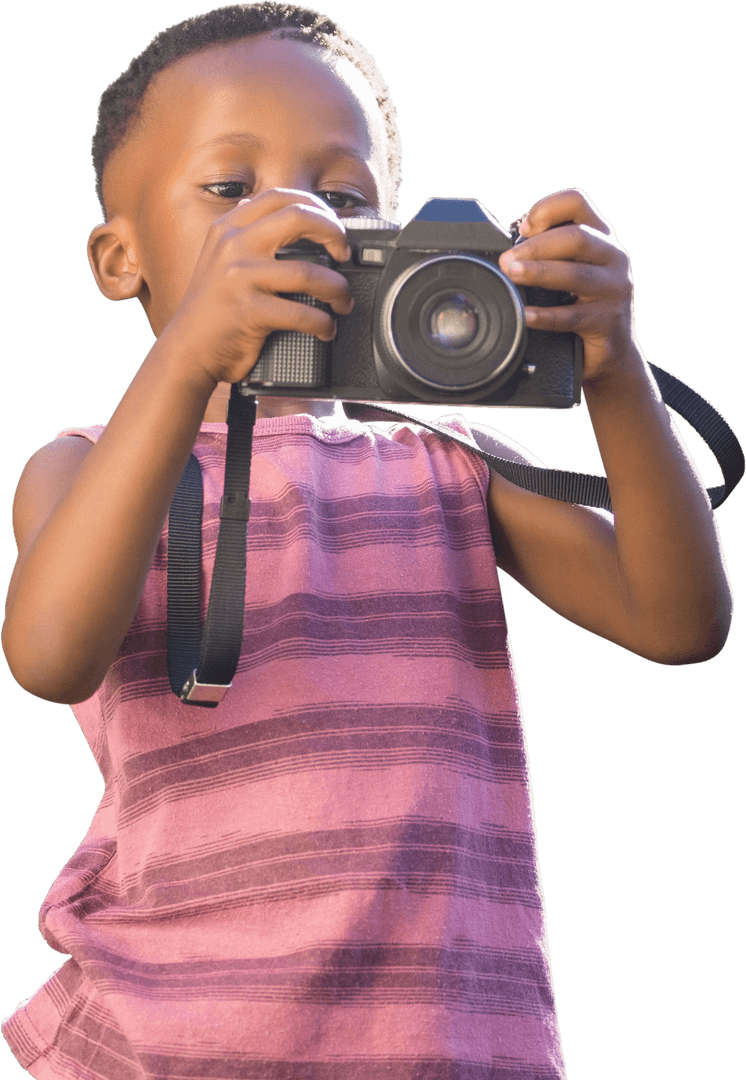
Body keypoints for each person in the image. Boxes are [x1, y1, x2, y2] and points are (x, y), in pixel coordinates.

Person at [1, 3, 732, 1078]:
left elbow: (678, 623)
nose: (294, 227)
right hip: (172, 1041)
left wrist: (615, 370)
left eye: (343, 199)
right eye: (230, 189)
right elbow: (50, 653)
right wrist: (191, 357)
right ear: (119, 258)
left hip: (438, 1043)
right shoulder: (89, 466)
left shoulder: (446, 461)